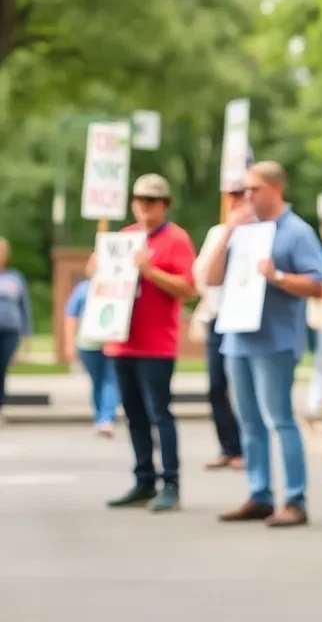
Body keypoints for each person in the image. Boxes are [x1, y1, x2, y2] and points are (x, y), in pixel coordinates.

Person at [207, 161, 322, 528]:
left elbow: (318, 283)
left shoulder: (296, 231)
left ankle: (295, 499)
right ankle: (259, 494)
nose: (245, 196)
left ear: (275, 188)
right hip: (237, 337)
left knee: (280, 419)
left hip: (276, 340)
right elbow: (212, 278)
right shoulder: (243, 229)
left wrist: (277, 276)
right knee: (248, 422)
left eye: (252, 189)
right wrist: (227, 231)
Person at [104, 174, 196, 513]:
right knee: (134, 415)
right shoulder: (124, 237)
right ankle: (144, 479)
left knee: (160, 413)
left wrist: (150, 271)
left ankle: (170, 481)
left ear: (164, 204)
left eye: (152, 201)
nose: (145, 206)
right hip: (122, 341)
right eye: (140, 200)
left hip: (156, 344)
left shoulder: (176, 239)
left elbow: (188, 288)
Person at [191, 185, 249, 470]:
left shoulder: (262, 232)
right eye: (232, 197)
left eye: (242, 196)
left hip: (244, 320)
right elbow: (203, 276)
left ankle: (245, 448)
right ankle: (228, 446)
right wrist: (228, 232)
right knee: (216, 386)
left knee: (240, 388)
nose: (237, 202)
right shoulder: (218, 232)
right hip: (218, 318)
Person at [64, 276, 119, 436]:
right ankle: (101, 416)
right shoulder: (83, 288)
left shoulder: (117, 286)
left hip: (112, 341)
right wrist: (69, 344)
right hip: (88, 343)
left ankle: (106, 418)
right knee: (98, 381)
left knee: (110, 380)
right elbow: (71, 316)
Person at [0, 237, 31, 419]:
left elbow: (24, 306)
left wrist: (27, 335)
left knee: (2, 367)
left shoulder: (15, 278)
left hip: (10, 331)